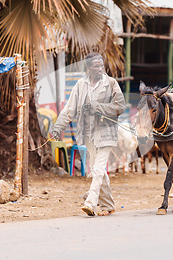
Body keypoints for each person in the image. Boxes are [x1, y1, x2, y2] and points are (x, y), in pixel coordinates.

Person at [50, 52, 125, 217]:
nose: (100, 69)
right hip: (88, 134)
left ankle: (90, 203)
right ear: (88, 67)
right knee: (98, 170)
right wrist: (57, 127)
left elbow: (120, 107)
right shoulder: (80, 85)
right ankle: (109, 204)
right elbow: (70, 109)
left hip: (106, 132)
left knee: (98, 168)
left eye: (101, 65)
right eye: (96, 66)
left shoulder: (111, 83)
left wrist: (98, 106)